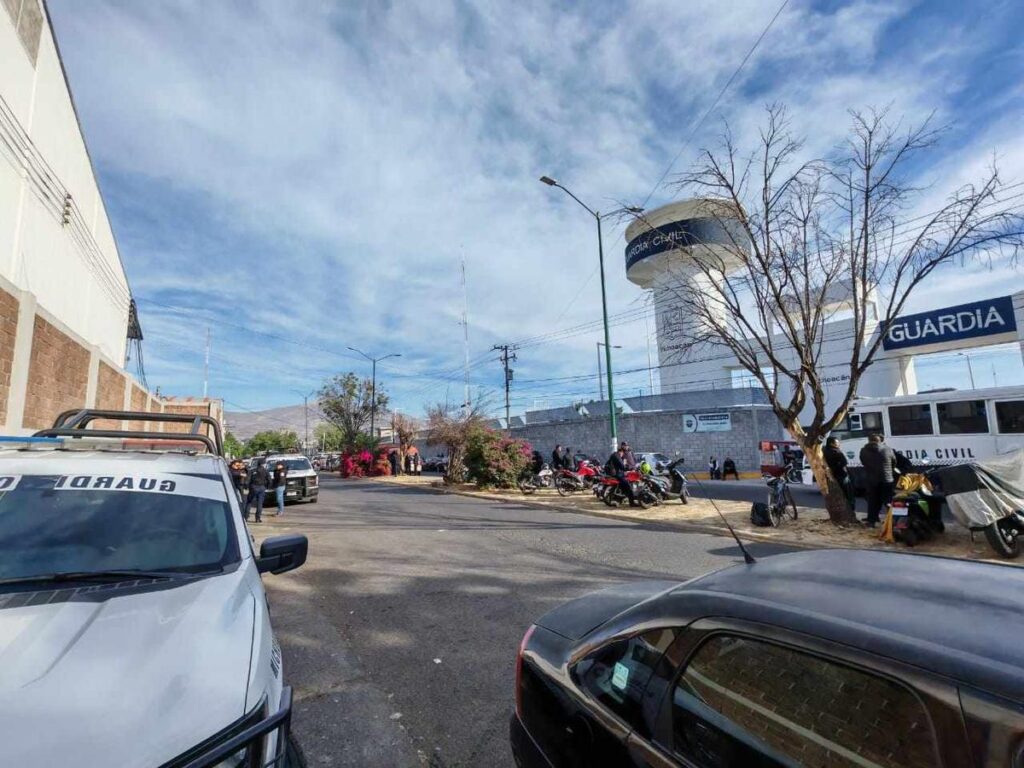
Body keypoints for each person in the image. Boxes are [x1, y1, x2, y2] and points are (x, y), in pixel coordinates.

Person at [859, 433, 895, 527]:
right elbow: (894, 462)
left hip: (872, 480)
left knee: (873, 501)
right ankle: (892, 521)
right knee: (888, 501)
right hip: (887, 479)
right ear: (880, 441)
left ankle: (871, 521)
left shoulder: (863, 451)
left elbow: (863, 462)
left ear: (869, 440)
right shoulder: (888, 449)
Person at [824, 437, 854, 512]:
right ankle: (851, 509)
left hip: (833, 475)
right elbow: (844, 462)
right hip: (842, 474)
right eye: (837, 442)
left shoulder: (824, 451)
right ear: (832, 443)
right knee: (848, 493)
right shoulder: (837, 452)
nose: (839, 444)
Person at [245, 457, 270, 523]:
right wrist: (267, 487)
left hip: (253, 487)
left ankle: (246, 517)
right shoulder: (266, 471)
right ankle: (258, 519)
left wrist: (247, 487)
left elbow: (247, 480)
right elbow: (269, 480)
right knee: (260, 503)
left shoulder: (252, 470)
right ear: (263, 464)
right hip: (262, 487)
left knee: (249, 502)